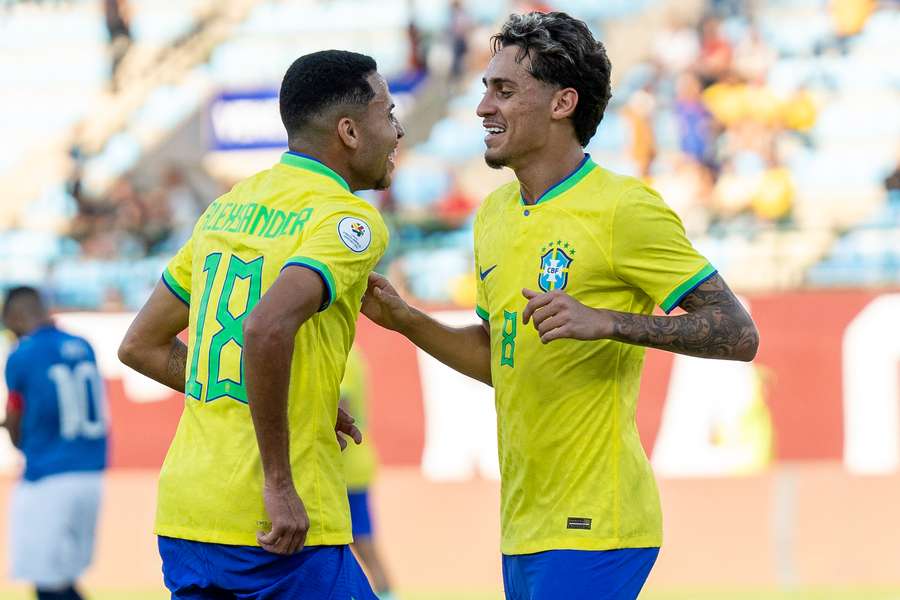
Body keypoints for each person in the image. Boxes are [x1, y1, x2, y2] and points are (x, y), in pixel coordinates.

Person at [361, 12, 759, 600]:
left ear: (562, 103)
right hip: (524, 521)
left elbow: (737, 332)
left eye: (505, 90)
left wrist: (608, 323)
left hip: (598, 521)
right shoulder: (493, 216)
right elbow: (500, 358)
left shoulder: (624, 208)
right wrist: (405, 319)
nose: (483, 108)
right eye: (484, 89)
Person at [118, 49, 403, 599]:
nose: (396, 131)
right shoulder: (346, 217)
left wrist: (293, 398)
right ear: (348, 131)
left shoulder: (227, 208)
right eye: (388, 114)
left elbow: (141, 345)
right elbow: (266, 328)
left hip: (187, 515)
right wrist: (278, 480)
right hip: (277, 528)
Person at [2, 286, 108, 600]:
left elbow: (17, 428)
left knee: (47, 584)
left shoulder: (22, 354)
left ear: (16, 316)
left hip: (48, 475)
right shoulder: (82, 344)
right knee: (64, 580)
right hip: (91, 474)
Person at [340, 346, 396, 600]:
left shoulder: (342, 357)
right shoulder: (352, 354)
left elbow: (339, 416)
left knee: (363, 546)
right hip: (352, 467)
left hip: (345, 471)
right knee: (363, 545)